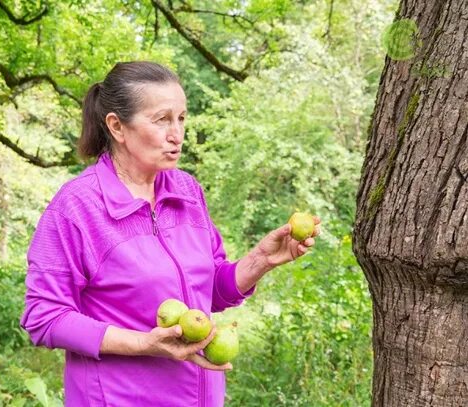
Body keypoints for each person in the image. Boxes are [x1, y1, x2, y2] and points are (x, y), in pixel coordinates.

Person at [20, 61, 320, 406]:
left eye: (181, 118)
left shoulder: (187, 192)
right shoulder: (76, 207)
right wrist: (144, 343)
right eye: (161, 119)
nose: (176, 134)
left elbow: (208, 292)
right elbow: (45, 317)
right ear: (117, 127)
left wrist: (261, 260)